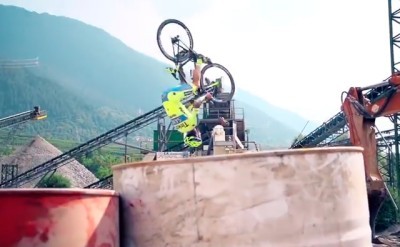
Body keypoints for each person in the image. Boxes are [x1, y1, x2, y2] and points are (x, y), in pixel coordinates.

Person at [161, 54, 213, 148]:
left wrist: (206, 96)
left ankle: (199, 61)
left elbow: (196, 103)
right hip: (166, 98)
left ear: (196, 134)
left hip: (172, 96)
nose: (200, 133)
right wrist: (201, 101)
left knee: (195, 86)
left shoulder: (192, 123)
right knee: (184, 85)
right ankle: (179, 63)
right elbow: (186, 109)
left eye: (199, 135)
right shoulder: (180, 129)